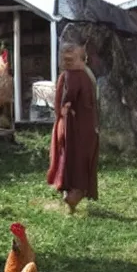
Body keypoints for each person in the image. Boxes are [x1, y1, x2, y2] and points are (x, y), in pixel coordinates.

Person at [47, 41, 99, 213]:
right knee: (78, 163)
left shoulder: (76, 74)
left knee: (72, 160)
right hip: (76, 128)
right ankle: (72, 197)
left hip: (75, 126)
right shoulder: (76, 75)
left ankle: (70, 195)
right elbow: (66, 102)